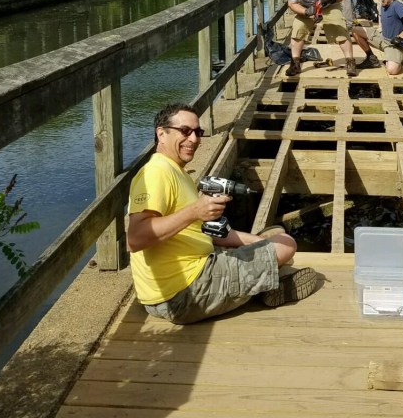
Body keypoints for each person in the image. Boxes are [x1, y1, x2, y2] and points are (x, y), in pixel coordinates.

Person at [127, 103, 320, 324]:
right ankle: (271, 284)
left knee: (272, 234)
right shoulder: (156, 173)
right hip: (183, 294)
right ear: (161, 133)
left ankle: (268, 278)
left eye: (197, 132)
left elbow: (204, 232)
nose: (194, 139)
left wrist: (256, 241)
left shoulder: (175, 171)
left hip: (193, 270)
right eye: (185, 131)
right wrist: (194, 211)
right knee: (287, 244)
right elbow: (135, 239)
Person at [286, 0, 356, 77]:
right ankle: (295, 64)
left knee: (339, 26)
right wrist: (306, 12)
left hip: (327, 4)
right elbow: (291, 4)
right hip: (307, 7)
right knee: (298, 29)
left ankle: (350, 62)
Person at [351, 0, 403, 75]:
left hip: (394, 44)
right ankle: (371, 58)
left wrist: (400, 37)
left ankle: (398, 61)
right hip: (382, 39)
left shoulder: (397, 6)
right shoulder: (383, 5)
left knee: (391, 70)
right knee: (354, 30)